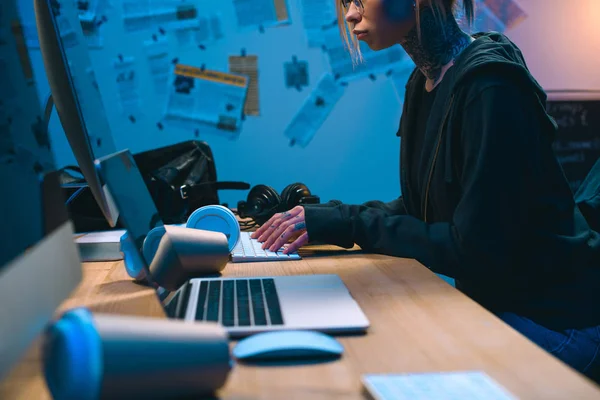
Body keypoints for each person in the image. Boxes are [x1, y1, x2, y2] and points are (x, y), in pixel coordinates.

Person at [252, 0, 600, 381]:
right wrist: (326, 220)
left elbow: (471, 248)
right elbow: (423, 204)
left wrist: (352, 226)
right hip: (500, 306)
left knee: (394, 362)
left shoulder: (491, 88)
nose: (350, 14)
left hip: (557, 321)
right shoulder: (424, 82)